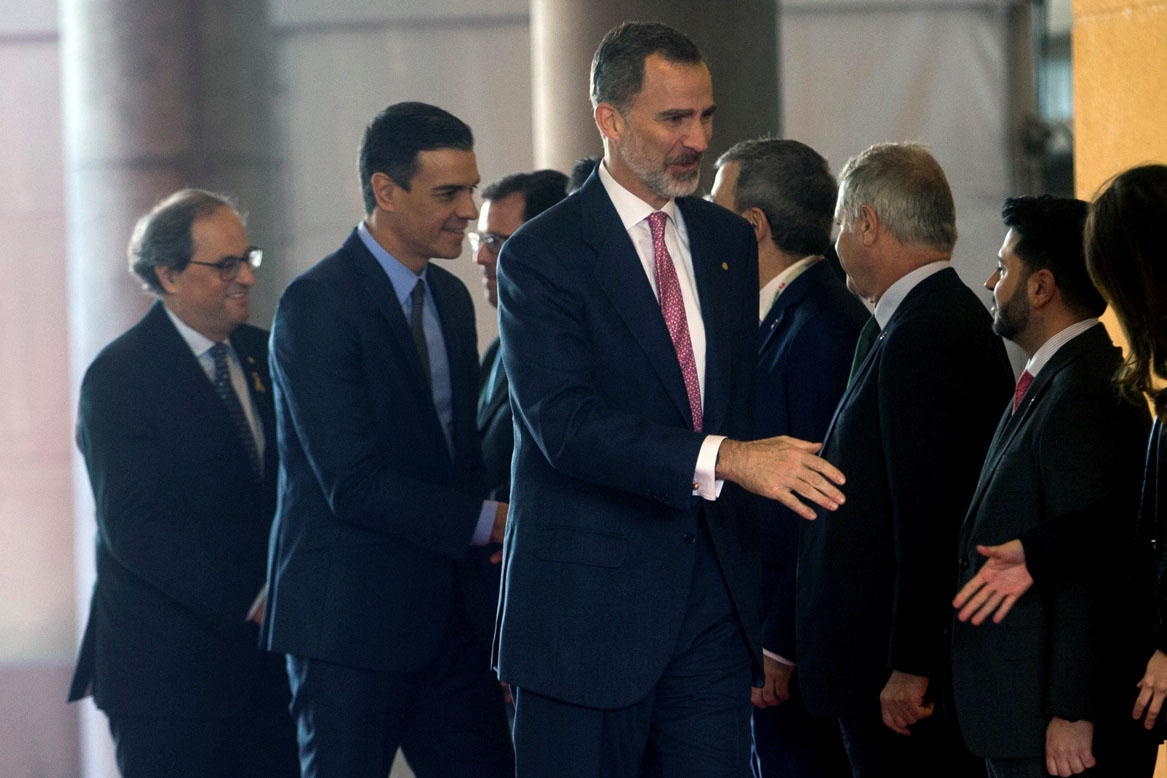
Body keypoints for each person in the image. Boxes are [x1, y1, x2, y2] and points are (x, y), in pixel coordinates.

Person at [493, 21, 847, 778]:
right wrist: (729, 459)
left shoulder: (725, 241)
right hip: (583, 623)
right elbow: (565, 425)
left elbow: (735, 406)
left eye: (706, 117)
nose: (695, 139)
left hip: (710, 619)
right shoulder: (541, 254)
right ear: (609, 120)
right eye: (672, 118)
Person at [262, 102, 513, 778]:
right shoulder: (316, 305)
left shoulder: (454, 302)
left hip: (448, 624)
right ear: (384, 191)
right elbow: (354, 482)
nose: (468, 209)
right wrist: (495, 523)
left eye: (472, 188)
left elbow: (456, 461)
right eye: (447, 193)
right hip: (347, 625)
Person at [795, 142, 1014, 777]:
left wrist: (910, 663)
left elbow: (931, 515)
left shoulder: (928, 332)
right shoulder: (919, 320)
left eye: (839, 225)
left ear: (867, 222)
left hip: (898, 679)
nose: (836, 243)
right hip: (879, 667)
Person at [68, 189, 298, 777]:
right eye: (225, 265)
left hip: (269, 670)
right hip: (168, 678)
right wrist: (252, 598)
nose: (245, 276)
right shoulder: (120, 377)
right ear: (168, 274)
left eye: (248, 258)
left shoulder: (265, 351)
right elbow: (135, 530)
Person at [954, 164, 1167, 767]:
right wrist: (1039, 549)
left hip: (1057, 721)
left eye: (1004, 266)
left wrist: (1073, 708)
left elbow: (1100, 576)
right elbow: (1114, 521)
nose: (992, 280)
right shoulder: (1056, 380)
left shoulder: (1086, 391)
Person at [711, 138, 861, 778]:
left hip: (794, 644)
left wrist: (778, 640)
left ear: (753, 226)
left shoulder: (824, 324)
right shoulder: (776, 315)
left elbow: (818, 500)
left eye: (717, 210)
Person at [473, 169, 569, 502]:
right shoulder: (497, 349)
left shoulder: (564, 351)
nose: (480, 257)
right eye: (481, 240)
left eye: (496, 242)